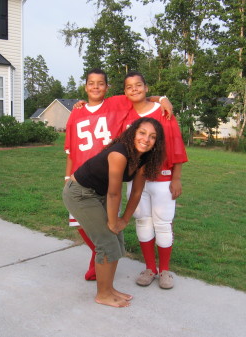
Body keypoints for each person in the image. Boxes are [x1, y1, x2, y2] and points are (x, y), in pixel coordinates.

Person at [64, 68, 173, 281]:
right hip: (81, 174)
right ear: (85, 86)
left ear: (107, 87)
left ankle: (101, 257)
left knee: (105, 221)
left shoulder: (115, 103)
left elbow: (138, 94)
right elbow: (70, 150)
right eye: (91, 83)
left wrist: (161, 98)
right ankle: (99, 252)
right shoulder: (76, 111)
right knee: (81, 223)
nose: (95, 87)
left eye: (100, 83)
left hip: (107, 173)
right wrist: (67, 176)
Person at [62, 117, 166, 307]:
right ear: (133, 132)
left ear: (156, 142)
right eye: (142, 133)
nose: (146, 139)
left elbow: (136, 192)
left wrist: (124, 220)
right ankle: (103, 294)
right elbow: (114, 193)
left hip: (98, 195)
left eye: (153, 137)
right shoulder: (119, 154)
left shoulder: (144, 157)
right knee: (107, 241)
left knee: (117, 241)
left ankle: (109, 288)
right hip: (80, 193)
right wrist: (113, 222)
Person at [123, 71, 188, 289]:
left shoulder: (163, 111)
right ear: (124, 91)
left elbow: (176, 144)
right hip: (136, 178)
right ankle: (150, 268)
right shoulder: (125, 112)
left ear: (146, 87)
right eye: (129, 87)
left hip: (162, 178)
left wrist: (176, 177)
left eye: (138, 85)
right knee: (142, 221)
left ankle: (165, 270)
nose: (134, 89)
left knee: (162, 223)